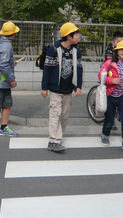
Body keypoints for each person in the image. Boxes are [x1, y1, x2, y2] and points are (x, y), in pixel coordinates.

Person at [41, 22, 83, 152]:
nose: (78, 37)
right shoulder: (54, 49)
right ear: (68, 37)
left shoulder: (77, 51)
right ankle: (54, 140)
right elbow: (47, 69)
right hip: (55, 88)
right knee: (55, 113)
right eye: (76, 34)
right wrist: (44, 87)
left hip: (68, 89)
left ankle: (58, 137)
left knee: (64, 115)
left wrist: (78, 86)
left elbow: (79, 69)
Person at [98, 40, 123, 153]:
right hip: (110, 96)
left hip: (122, 97)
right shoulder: (109, 63)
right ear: (117, 51)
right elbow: (100, 76)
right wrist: (111, 80)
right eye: (121, 49)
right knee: (109, 119)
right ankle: (105, 135)